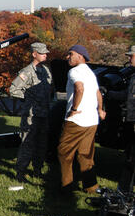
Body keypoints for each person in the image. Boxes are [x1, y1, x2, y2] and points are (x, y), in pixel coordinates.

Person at [57, 45, 106, 196]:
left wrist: (74, 109)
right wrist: (100, 110)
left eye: (70, 54)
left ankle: (67, 187)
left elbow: (79, 88)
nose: (67, 57)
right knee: (85, 154)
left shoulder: (74, 71)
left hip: (76, 120)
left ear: (80, 56)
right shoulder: (90, 73)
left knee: (64, 152)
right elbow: (98, 92)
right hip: (92, 120)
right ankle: (91, 187)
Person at [9, 42, 53, 183]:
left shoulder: (46, 71)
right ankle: (20, 171)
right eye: (42, 53)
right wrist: (28, 97)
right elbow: (13, 90)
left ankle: (37, 169)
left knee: (42, 143)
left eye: (45, 53)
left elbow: (50, 90)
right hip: (31, 115)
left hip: (44, 114)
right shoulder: (26, 72)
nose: (45, 55)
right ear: (34, 54)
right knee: (27, 143)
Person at [105, 45, 135, 193]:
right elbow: (126, 95)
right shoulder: (133, 76)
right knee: (130, 156)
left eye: (131, 56)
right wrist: (109, 93)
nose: (129, 59)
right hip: (131, 121)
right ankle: (124, 190)